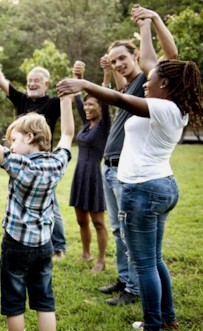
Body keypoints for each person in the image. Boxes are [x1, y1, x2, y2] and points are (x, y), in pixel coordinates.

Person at [57, 16, 201, 331]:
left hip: (144, 190)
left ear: (164, 84)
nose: (146, 81)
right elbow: (138, 76)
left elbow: (120, 98)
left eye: (152, 78)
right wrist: (146, 25)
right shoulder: (172, 107)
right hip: (160, 185)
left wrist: (84, 84)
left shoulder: (162, 107)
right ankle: (168, 319)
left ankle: (153, 325)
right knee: (156, 259)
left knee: (146, 264)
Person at [0, 87, 75, 331]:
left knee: (14, 302)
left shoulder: (18, 164)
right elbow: (67, 133)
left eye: (14, 140)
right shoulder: (57, 163)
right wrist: (66, 101)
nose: (11, 146)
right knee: (44, 299)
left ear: (30, 138)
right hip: (45, 245)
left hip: (16, 245)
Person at [95, 4, 179, 306]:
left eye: (123, 58)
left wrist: (149, 22)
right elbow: (120, 88)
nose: (119, 63)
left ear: (135, 57)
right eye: (114, 59)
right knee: (120, 231)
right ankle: (125, 279)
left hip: (134, 175)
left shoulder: (149, 86)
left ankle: (135, 291)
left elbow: (165, 59)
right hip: (113, 165)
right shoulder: (137, 86)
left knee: (135, 241)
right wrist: (108, 70)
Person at [0, 66, 66, 259]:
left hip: (42, 165)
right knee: (19, 201)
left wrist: (76, 81)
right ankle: (20, 237)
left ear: (46, 84)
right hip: (19, 162)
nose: (32, 83)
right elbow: (1, 81)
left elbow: (69, 109)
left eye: (37, 80)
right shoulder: (22, 99)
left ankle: (58, 246)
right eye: (30, 80)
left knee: (51, 205)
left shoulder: (52, 103)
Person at [69, 60, 111, 273]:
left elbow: (104, 97)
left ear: (100, 107)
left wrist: (106, 75)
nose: (86, 107)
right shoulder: (87, 125)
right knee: (80, 219)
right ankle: (86, 254)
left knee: (98, 222)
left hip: (94, 175)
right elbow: (77, 98)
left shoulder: (104, 126)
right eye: (85, 105)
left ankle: (101, 261)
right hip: (79, 174)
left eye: (91, 104)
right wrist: (78, 76)